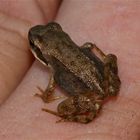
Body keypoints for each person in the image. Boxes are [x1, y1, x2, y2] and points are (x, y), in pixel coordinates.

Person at [0, 1, 139, 139]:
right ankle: (103, 93)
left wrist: (44, 96)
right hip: (104, 80)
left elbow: (48, 95)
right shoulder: (79, 46)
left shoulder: (53, 68)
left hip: (91, 95)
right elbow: (89, 46)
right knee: (108, 57)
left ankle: (84, 112)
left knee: (61, 110)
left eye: (34, 44)